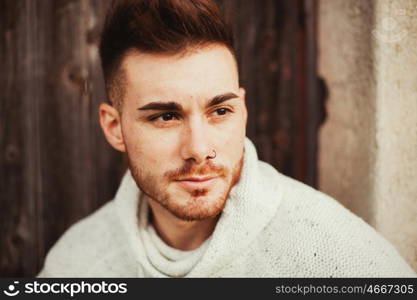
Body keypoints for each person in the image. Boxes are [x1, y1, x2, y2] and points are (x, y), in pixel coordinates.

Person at [38, 0, 416, 277]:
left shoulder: (337, 259)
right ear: (114, 127)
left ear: (243, 110)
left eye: (220, 111)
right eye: (166, 116)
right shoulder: (76, 263)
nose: (200, 148)